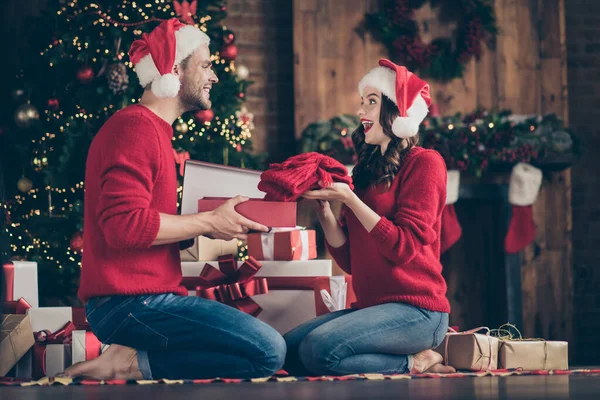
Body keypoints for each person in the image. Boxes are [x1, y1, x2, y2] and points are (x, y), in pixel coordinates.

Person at [62, 19, 286, 381]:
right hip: (131, 303)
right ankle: (128, 363)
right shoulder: (135, 129)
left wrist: (204, 228)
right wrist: (208, 221)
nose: (214, 77)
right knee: (268, 351)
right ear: (174, 70)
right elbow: (124, 227)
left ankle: (130, 358)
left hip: (140, 301)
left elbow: (141, 223)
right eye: (207, 65)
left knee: (260, 347)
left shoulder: (150, 130)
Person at [283, 59, 456, 376]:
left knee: (318, 350)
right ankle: (405, 362)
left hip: (419, 311)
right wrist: (323, 209)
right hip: (373, 309)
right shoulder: (364, 173)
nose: (362, 112)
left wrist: (349, 198)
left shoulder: (426, 163)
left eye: (372, 102)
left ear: (397, 111)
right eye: (362, 102)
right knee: (286, 352)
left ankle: (415, 362)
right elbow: (351, 260)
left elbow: (402, 248)